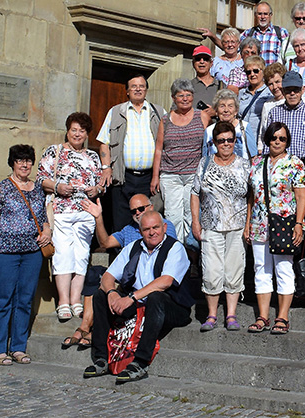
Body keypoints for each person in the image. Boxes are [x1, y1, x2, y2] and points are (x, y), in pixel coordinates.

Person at [83, 211, 194, 384]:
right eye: (147, 229)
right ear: (140, 231)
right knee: (100, 295)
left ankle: (140, 362)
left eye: (156, 227)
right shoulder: (133, 247)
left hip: (173, 306)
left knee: (156, 296)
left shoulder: (175, 247)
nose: (152, 232)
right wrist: (112, 293)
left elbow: (165, 281)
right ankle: (101, 359)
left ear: (164, 227)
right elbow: (107, 276)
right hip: (139, 306)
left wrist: (131, 297)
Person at [73, 194, 177, 350]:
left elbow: (166, 254)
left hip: (148, 280)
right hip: (127, 278)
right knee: (96, 275)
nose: (137, 213)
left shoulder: (162, 226)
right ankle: (85, 326)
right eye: (133, 211)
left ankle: (97, 332)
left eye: (141, 209)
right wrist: (98, 218)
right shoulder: (129, 229)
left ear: (151, 208)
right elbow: (105, 243)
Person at [0, 145, 51, 366]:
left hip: (31, 254)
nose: (24, 164)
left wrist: (47, 231)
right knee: (2, 300)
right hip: (4, 253)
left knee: (24, 300)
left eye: (28, 160)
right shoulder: (1, 189)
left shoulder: (38, 189)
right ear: (12, 163)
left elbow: (43, 218)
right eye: (20, 160)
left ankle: (18, 348)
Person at [38, 112, 103, 321]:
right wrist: (58, 186)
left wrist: (96, 190)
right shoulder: (54, 151)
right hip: (61, 212)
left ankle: (76, 300)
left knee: (81, 256)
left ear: (87, 134)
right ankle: (63, 301)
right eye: (74, 130)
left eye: (82, 131)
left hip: (85, 212)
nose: (77, 134)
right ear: (67, 130)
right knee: (63, 255)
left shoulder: (92, 156)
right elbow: (41, 179)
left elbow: (100, 184)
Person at [244, 122, 305, 334]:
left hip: (285, 222)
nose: (277, 142)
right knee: (260, 268)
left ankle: (282, 316)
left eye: (282, 138)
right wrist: (247, 224)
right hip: (259, 223)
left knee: (284, 268)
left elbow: (301, 196)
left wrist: (299, 224)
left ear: (287, 141)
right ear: (267, 139)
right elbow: (251, 197)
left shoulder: (295, 163)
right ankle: (263, 316)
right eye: (274, 138)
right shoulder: (256, 163)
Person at [191, 122, 251, 331]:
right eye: (221, 140)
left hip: (237, 225)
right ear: (214, 142)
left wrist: (248, 224)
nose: (226, 144)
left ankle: (231, 315)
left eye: (229, 140)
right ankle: (212, 315)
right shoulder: (205, 163)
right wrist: (195, 220)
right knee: (211, 270)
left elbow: (251, 196)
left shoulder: (245, 164)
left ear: (235, 141)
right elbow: (195, 193)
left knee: (234, 269)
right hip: (211, 225)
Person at [97, 74, 165, 232]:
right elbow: (103, 142)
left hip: (150, 178)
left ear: (146, 90)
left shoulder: (159, 112)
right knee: (121, 221)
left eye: (141, 86)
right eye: (134, 86)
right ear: (127, 91)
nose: (138, 89)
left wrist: (159, 175)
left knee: (148, 222)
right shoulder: (115, 112)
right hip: (122, 177)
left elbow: (166, 144)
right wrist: (106, 167)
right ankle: (121, 255)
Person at [151, 79, 210, 243]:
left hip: (193, 175)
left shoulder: (203, 117)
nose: (185, 98)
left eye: (188, 95)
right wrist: (155, 176)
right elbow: (159, 149)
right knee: (172, 216)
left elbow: (209, 146)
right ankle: (174, 253)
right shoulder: (166, 120)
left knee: (191, 217)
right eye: (181, 95)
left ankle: (190, 256)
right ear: (173, 98)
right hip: (170, 176)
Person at [267, 71, 305, 162]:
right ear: (282, 91)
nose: (292, 93)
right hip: (279, 162)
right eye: (288, 90)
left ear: (303, 90)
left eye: (296, 89)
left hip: (304, 162)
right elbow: (268, 143)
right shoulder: (274, 113)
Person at [204, 90, 258, 160]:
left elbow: (253, 156)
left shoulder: (244, 127)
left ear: (236, 111)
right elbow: (204, 158)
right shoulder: (209, 131)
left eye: (230, 106)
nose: (226, 110)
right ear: (216, 111)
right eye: (222, 106)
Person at [238, 55, 272, 139]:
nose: (252, 74)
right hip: (242, 139)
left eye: (256, 71)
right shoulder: (241, 93)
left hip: (259, 139)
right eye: (248, 72)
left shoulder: (269, 93)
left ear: (263, 72)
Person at [258, 63, 287, 151]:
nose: (275, 87)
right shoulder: (267, 105)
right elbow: (262, 131)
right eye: (270, 84)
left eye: (277, 82)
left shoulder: (292, 101)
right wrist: (260, 149)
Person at [190, 45, 218, 123]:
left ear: (211, 63)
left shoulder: (221, 86)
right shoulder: (187, 87)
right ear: (193, 63)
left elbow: (232, 112)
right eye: (198, 59)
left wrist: (216, 113)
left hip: (215, 132)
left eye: (205, 59)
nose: (202, 62)